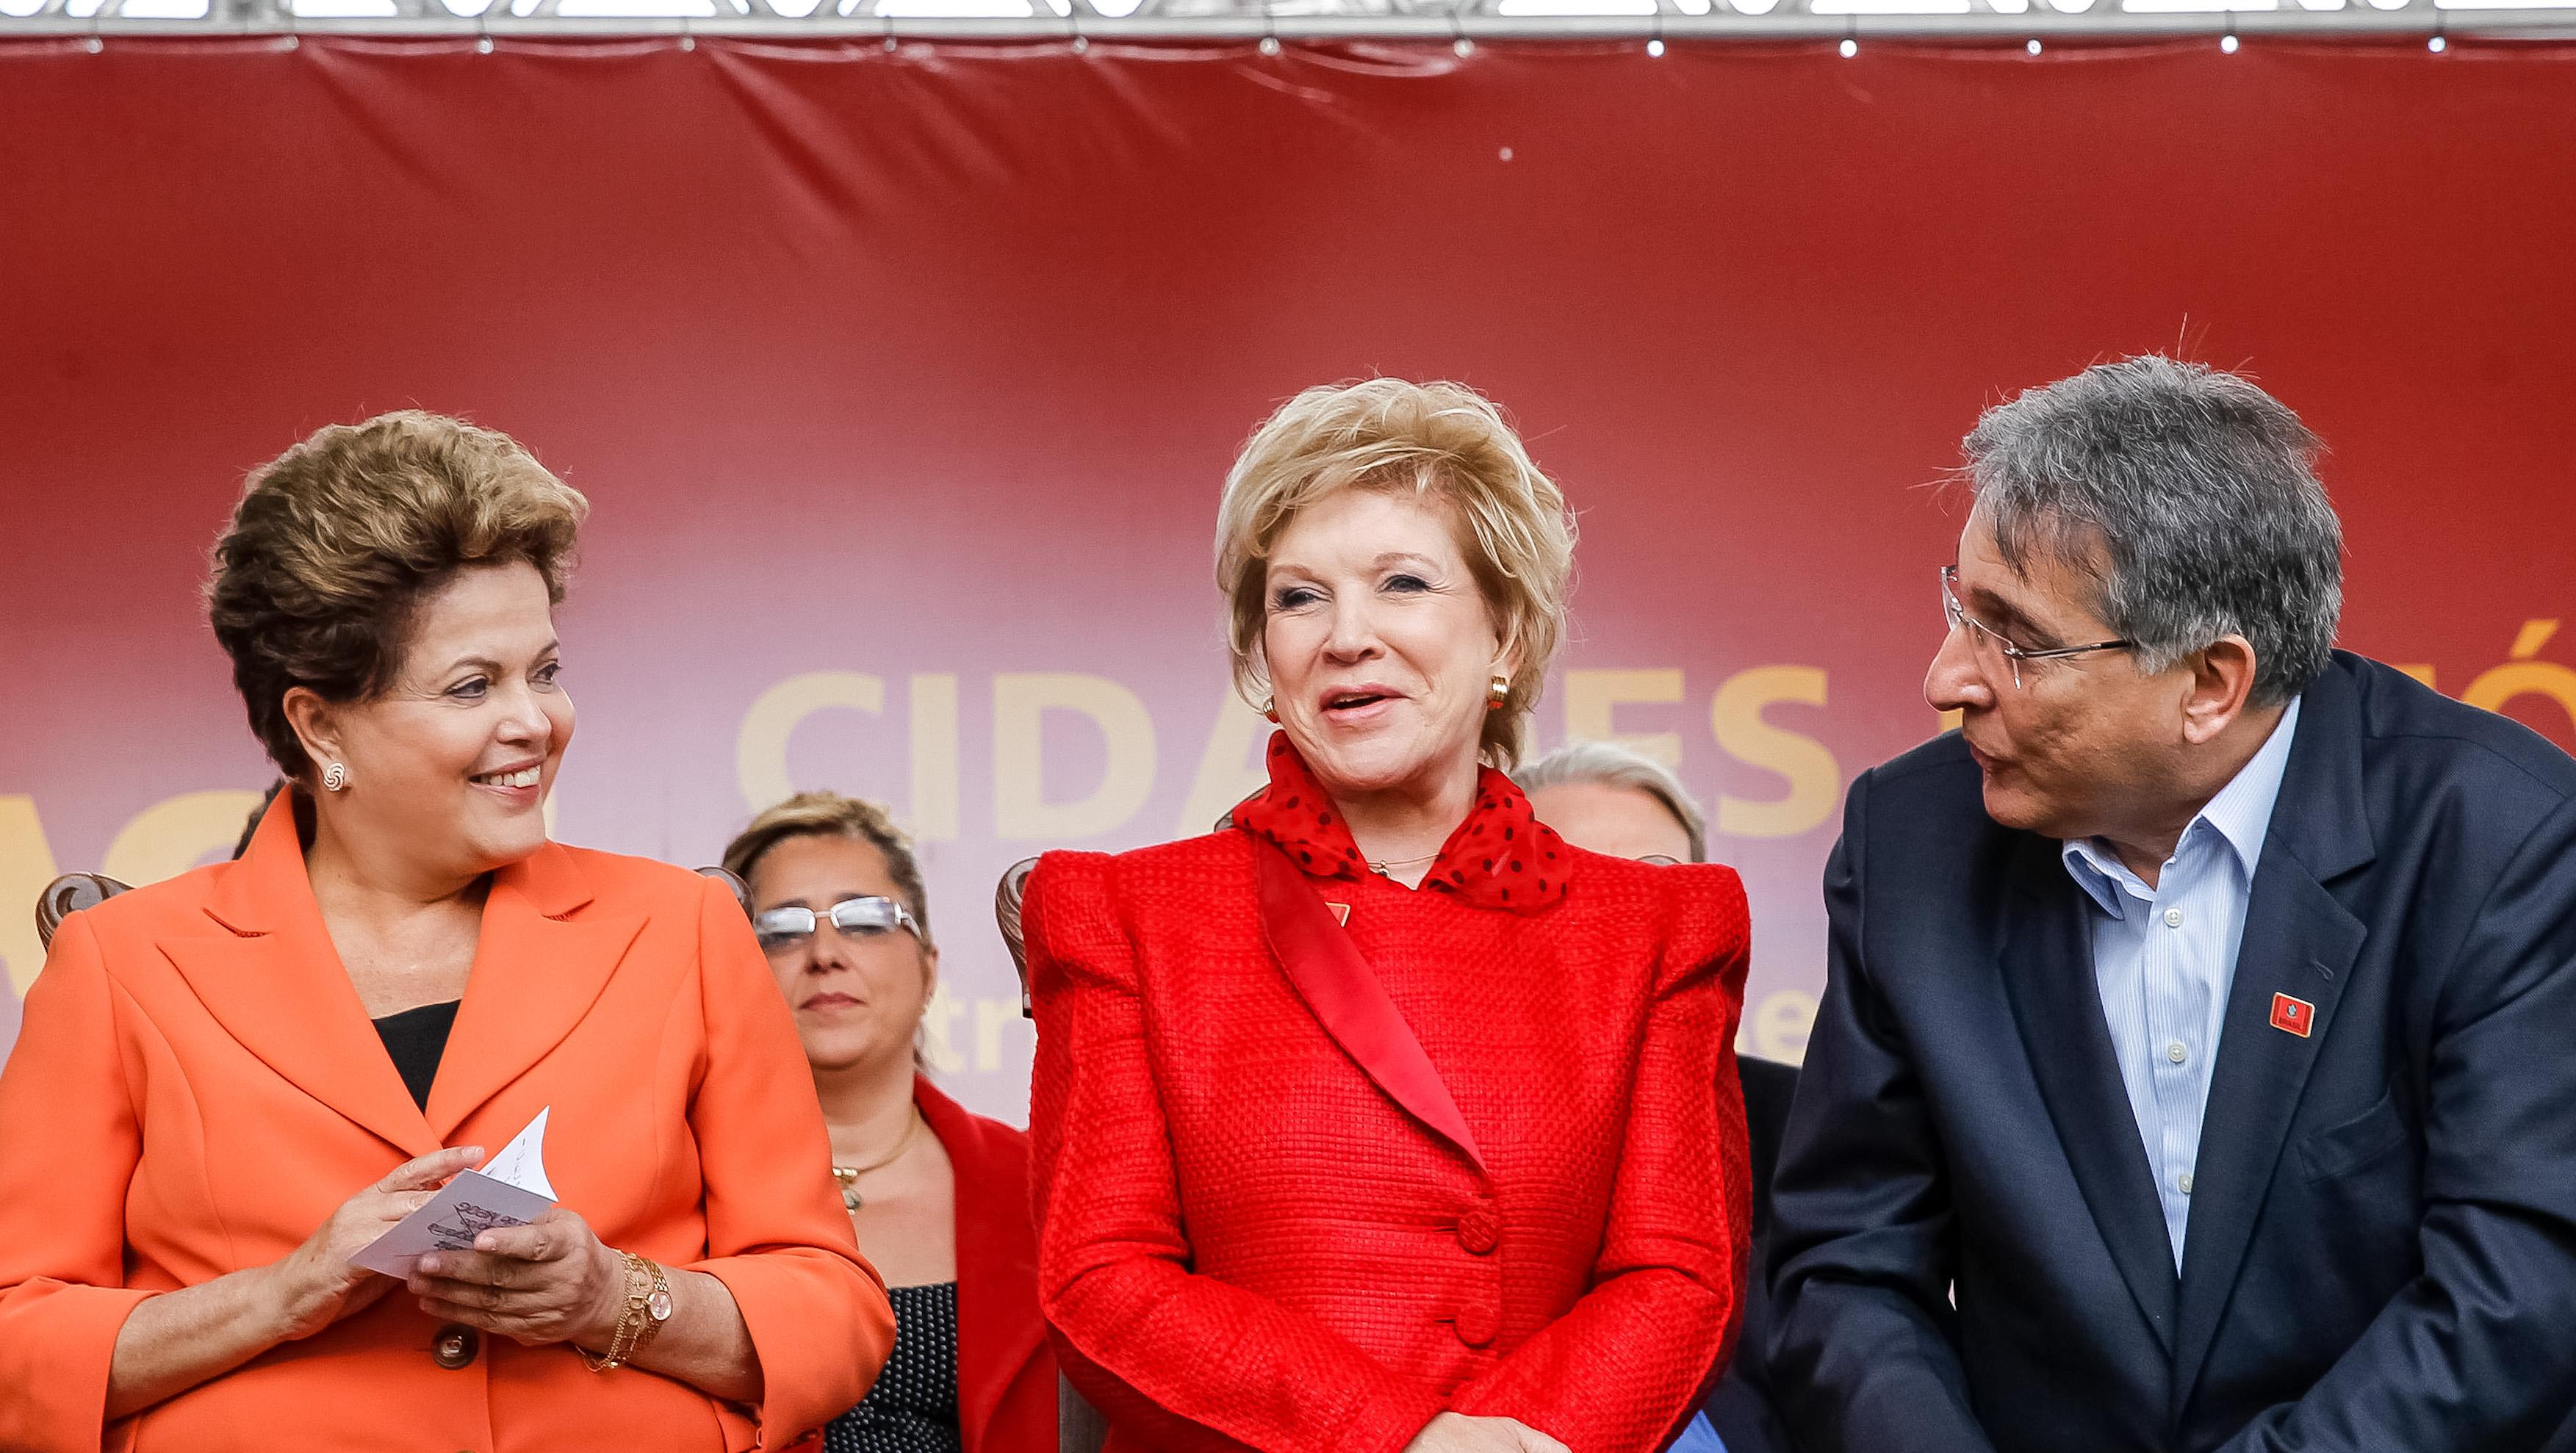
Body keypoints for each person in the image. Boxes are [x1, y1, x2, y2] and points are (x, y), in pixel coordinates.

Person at [0, 411, 892, 1452]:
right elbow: (17, 1338)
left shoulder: (683, 928)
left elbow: (834, 1312)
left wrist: (613, 1296)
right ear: (320, 725)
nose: (535, 722)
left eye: (545, 671)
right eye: (474, 685)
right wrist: (283, 1293)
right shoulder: (120, 966)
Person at [1768, 356, 2576, 1452]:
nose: (1944, 677)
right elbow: (1846, 1264)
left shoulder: (2502, 840)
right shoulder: (1907, 844)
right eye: (1959, 605)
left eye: (2015, 640)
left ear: (2208, 684)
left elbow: (2518, 1288)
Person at [1021, 378, 1754, 1453]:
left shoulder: (1658, 924)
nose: (1345, 636)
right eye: (1298, 597)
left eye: (1401, 583)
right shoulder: (1125, 911)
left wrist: (1513, 1441)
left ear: (1505, 635)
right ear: (1261, 657)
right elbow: (1102, 1279)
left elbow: (1679, 1276)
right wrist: (1399, 1440)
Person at [723, 792, 1056, 1453]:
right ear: (733, 973)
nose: (824, 952)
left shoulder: (1047, 1185)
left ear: (930, 970)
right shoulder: (672, 1186)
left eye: (867, 919)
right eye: (782, 929)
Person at [1510, 740, 1794, 1453]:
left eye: (1656, 879)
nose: (1624, 915)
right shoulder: (1406, 1139)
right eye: (1570, 879)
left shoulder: (1803, 1123)